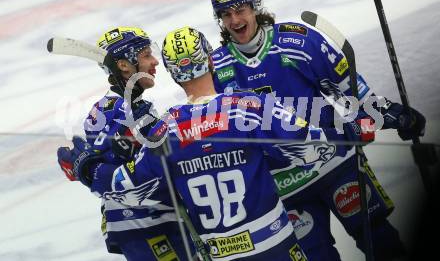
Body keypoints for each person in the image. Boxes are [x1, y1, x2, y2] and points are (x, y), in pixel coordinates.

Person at [55, 26, 369, 261]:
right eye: (146, 54)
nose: (153, 63)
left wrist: (87, 167)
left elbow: (128, 178)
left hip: (208, 242)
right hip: (156, 227)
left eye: (155, 55)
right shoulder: (245, 106)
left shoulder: (166, 124)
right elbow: (307, 145)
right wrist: (348, 129)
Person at [209, 0, 426, 261]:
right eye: (226, 14)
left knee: (379, 240)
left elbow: (350, 89)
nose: (235, 20)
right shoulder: (218, 66)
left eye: (240, 10)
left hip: (336, 164)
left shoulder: (297, 40)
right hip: (285, 185)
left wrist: (390, 114)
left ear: (254, 7)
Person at [57, 26, 194, 261]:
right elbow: (101, 170)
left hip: (147, 220)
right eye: (146, 55)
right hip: (143, 223)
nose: (155, 62)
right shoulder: (116, 109)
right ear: (123, 64)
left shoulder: (127, 107)